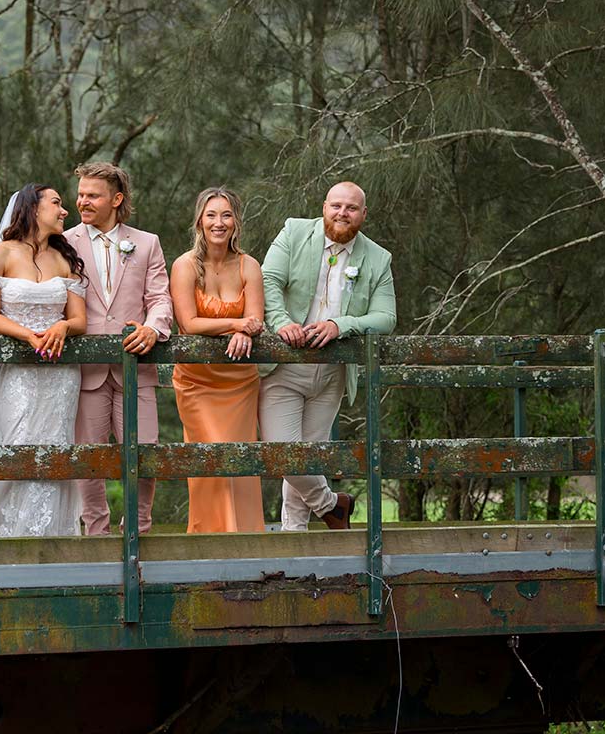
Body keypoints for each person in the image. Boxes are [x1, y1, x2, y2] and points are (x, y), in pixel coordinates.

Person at [260, 181, 396, 531]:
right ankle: (332, 504)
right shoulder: (294, 232)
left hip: (332, 374)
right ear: (324, 207)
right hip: (285, 365)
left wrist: (342, 324)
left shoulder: (378, 258)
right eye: (336, 205)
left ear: (364, 214)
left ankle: (295, 539)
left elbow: (386, 318)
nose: (342, 213)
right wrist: (280, 322)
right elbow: (268, 280)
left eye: (351, 208)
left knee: (309, 457)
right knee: (284, 452)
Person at [64, 162, 173, 536]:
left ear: (117, 198)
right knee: (89, 455)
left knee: (145, 448)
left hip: (136, 366)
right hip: (86, 368)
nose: (83, 201)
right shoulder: (63, 242)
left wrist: (153, 329)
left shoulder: (147, 242)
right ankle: (95, 529)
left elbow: (160, 298)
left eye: (92, 195)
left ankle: (139, 526)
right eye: (80, 194)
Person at [0, 183, 88, 538]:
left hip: (60, 375)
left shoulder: (63, 258)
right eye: (57, 203)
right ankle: (9, 540)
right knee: (18, 443)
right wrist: (26, 335)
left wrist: (62, 327)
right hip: (18, 372)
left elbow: (80, 320)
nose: (64, 210)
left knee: (57, 448)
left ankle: (54, 539)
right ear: (33, 208)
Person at [170, 188, 266, 533]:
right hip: (198, 382)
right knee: (210, 462)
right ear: (199, 220)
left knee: (240, 463)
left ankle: (247, 544)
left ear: (236, 222)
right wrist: (235, 324)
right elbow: (189, 323)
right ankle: (207, 542)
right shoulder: (184, 266)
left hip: (239, 382)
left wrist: (245, 332)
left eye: (226, 215)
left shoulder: (248, 265)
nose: (219, 223)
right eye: (211, 215)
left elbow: (255, 319)